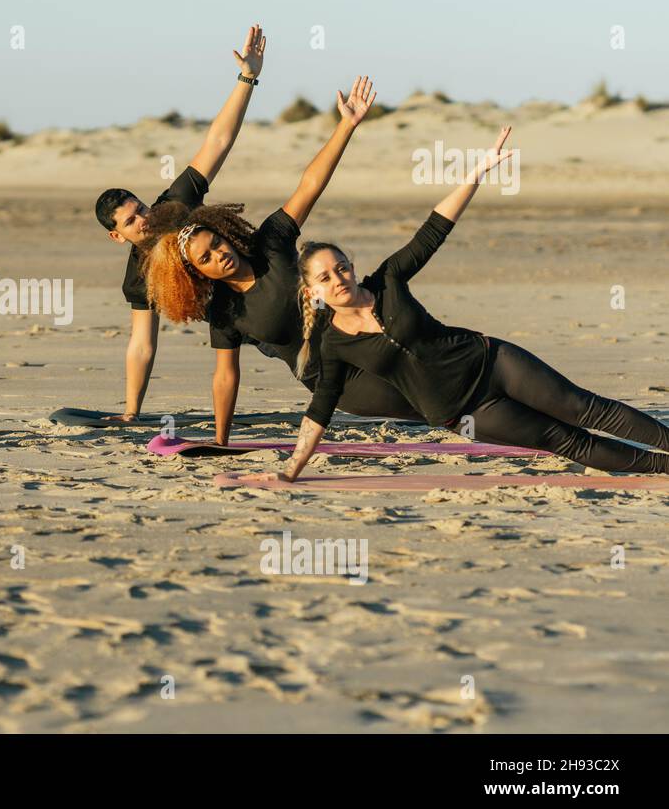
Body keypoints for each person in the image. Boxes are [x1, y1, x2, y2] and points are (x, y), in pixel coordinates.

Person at [255, 127, 669, 481]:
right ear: (312, 292)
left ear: (352, 266)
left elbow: (434, 229)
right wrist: (292, 467)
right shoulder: (332, 344)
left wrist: (476, 173)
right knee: (566, 441)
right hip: (467, 411)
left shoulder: (389, 280)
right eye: (325, 277)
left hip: (493, 362)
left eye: (341, 268)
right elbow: (320, 409)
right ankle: (661, 467)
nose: (338, 279)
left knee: (584, 407)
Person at [145, 77, 419, 444]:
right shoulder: (225, 311)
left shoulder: (270, 243)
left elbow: (309, 185)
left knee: (456, 379)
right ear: (197, 272)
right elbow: (226, 376)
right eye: (206, 258)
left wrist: (346, 126)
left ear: (225, 233)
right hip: (338, 381)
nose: (219, 255)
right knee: (435, 405)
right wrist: (221, 441)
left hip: (373, 336)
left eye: (216, 243)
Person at [92, 24, 266, 422]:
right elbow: (141, 345)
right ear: (117, 236)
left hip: (267, 278)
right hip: (237, 316)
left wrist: (247, 78)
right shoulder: (138, 277)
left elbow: (217, 142)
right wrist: (131, 412)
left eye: (141, 208)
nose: (145, 220)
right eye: (132, 221)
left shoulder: (174, 204)